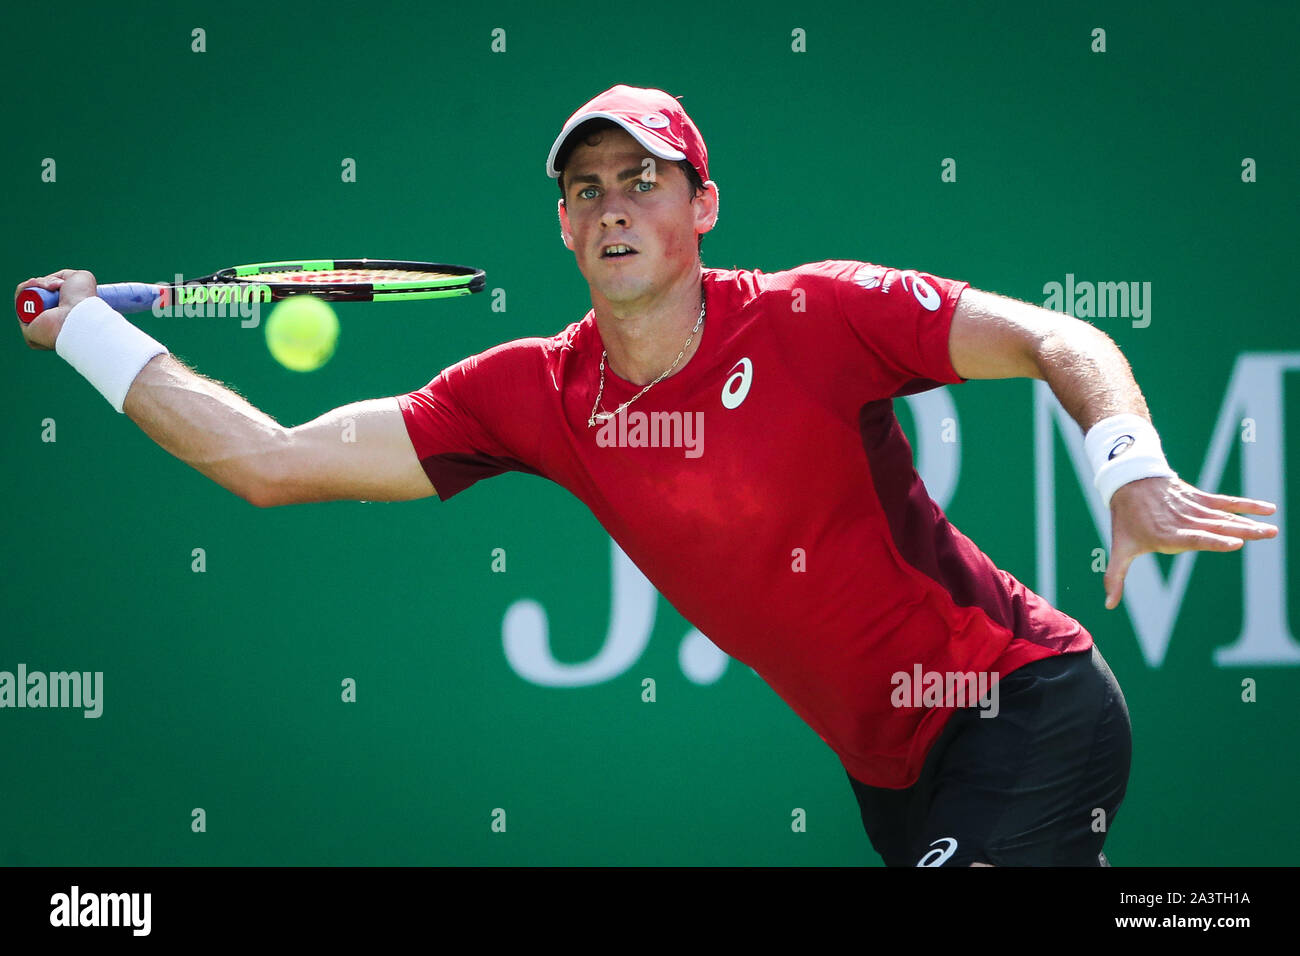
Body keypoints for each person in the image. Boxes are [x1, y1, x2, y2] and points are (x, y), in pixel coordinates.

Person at [15, 84, 1279, 866]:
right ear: (563, 227)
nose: (612, 205)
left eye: (642, 180)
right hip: (890, 778)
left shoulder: (816, 315)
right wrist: (91, 332)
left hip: (1023, 707)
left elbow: (1059, 335)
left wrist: (1129, 467)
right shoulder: (526, 393)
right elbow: (270, 463)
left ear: (701, 205)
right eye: (585, 189)